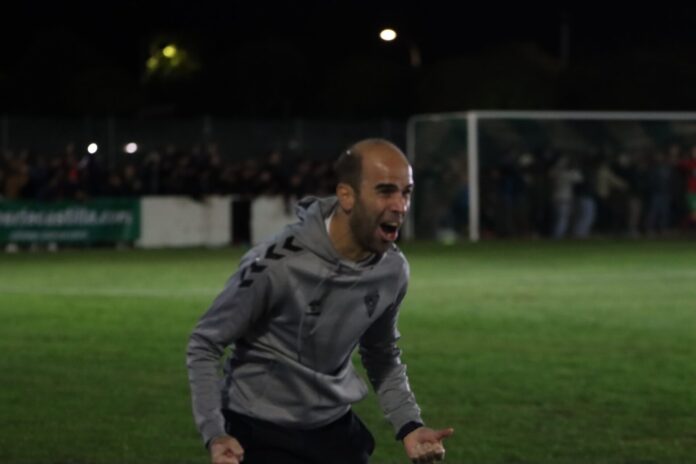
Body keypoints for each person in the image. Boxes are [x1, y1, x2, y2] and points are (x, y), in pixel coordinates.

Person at [187, 138, 454, 464]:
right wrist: (216, 433)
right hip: (259, 432)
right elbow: (205, 343)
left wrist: (409, 425)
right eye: (385, 191)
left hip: (334, 430)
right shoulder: (275, 264)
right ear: (347, 195)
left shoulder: (392, 270)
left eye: (406, 192)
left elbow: (381, 353)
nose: (400, 206)